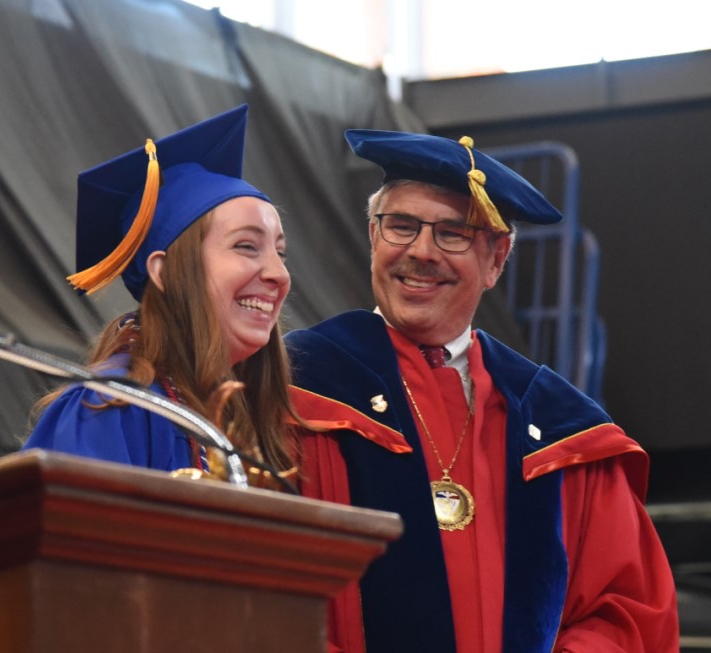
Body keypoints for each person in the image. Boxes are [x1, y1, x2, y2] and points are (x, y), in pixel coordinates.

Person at [285, 129, 679, 652]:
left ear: (497, 259)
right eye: (400, 226)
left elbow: (626, 610)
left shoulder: (561, 428)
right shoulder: (297, 388)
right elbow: (258, 593)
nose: (421, 252)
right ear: (373, 237)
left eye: (453, 233)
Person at [24, 105, 298, 486]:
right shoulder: (107, 408)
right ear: (163, 271)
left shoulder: (250, 416)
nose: (279, 274)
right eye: (247, 246)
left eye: (280, 253)